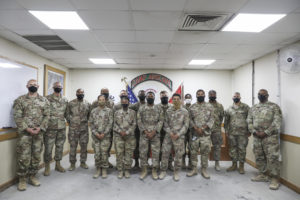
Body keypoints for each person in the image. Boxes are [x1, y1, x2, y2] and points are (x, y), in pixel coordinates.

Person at [13, 79, 50, 191]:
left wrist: (40, 127)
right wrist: (27, 128)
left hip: (38, 134)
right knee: (23, 157)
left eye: (35, 85)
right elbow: (17, 117)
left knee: (36, 156)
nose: (33, 86)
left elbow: (47, 116)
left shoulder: (44, 100)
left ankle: (32, 176)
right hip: (25, 134)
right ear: (27, 86)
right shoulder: (20, 100)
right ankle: (22, 179)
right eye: (31, 85)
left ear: (38, 86)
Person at [247, 89, 282, 190]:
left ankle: (275, 179)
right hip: (257, 136)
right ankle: (262, 174)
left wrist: (266, 132)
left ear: (267, 95)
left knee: (272, 157)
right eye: (259, 94)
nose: (261, 96)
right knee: (259, 156)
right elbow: (249, 120)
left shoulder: (274, 107)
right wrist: (254, 131)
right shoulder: (253, 108)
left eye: (263, 94)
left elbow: (277, 122)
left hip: (270, 137)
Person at [159, 94, 189, 181]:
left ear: (180, 100)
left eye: (177, 99)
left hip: (179, 137)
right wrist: (170, 132)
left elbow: (186, 125)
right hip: (169, 136)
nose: (176, 100)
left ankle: (176, 172)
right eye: (174, 99)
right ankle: (163, 170)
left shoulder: (185, 111)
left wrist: (178, 134)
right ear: (171, 100)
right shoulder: (168, 111)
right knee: (165, 153)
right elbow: (165, 124)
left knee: (178, 155)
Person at [187, 89, 214, 179]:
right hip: (194, 134)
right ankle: (194, 169)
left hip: (205, 134)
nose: (200, 96)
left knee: (205, 152)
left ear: (204, 95)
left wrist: (202, 128)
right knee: (193, 152)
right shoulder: (192, 107)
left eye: (202, 94)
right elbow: (189, 119)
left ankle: (204, 170)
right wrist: (195, 128)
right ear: (196, 96)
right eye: (198, 94)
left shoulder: (209, 106)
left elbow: (212, 119)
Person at [44, 82, 68, 176]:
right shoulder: (47, 99)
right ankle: (47, 166)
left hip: (61, 127)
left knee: (60, 146)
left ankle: (58, 164)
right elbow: (44, 113)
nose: (58, 88)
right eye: (56, 87)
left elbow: (66, 113)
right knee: (48, 148)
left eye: (60, 87)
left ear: (62, 88)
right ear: (53, 88)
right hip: (50, 128)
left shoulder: (65, 99)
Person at [137, 91, 164, 180]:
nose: (150, 97)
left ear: (154, 97)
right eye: (148, 96)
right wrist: (145, 131)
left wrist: (154, 131)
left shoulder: (158, 108)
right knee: (143, 153)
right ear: (146, 97)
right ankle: (144, 170)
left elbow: (161, 120)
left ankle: (154, 170)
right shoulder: (141, 108)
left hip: (155, 134)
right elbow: (139, 120)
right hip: (144, 134)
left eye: (152, 96)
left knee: (156, 153)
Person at [224, 92, 250, 174]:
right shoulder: (229, 109)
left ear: (240, 97)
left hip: (243, 133)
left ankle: (241, 166)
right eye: (234, 96)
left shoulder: (246, 107)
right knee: (232, 149)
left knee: (242, 149)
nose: (236, 97)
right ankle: (234, 165)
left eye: (237, 96)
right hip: (232, 133)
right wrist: (226, 131)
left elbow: (250, 119)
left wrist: (249, 130)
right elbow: (226, 121)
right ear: (232, 97)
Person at [89, 95, 113, 179]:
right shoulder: (93, 111)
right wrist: (96, 133)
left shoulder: (109, 111)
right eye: (100, 100)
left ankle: (104, 170)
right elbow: (91, 123)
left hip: (105, 136)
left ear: (105, 101)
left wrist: (104, 133)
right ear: (97, 100)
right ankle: (98, 169)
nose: (101, 101)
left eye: (103, 100)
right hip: (96, 136)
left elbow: (110, 123)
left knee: (104, 153)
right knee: (97, 153)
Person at [66, 88, 91, 171]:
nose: (81, 94)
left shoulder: (87, 103)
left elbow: (89, 115)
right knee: (73, 147)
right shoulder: (71, 103)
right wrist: (73, 122)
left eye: (82, 92)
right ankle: (72, 163)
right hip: (73, 129)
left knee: (84, 146)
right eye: (79, 92)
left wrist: (83, 122)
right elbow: (67, 115)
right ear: (76, 93)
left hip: (84, 129)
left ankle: (83, 162)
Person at [114, 96, 136, 178]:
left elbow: (134, 124)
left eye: (126, 101)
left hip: (129, 137)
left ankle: (127, 170)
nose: (124, 103)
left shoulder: (133, 112)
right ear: (121, 103)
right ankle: (120, 170)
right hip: (119, 136)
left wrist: (126, 132)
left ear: (128, 102)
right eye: (122, 101)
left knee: (128, 154)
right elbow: (114, 124)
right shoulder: (116, 112)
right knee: (119, 154)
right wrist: (120, 131)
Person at [156, 91, 174, 171]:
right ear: (160, 97)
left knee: (169, 149)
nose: (164, 97)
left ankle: (170, 164)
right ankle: (160, 165)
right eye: (162, 96)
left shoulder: (172, 106)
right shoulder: (156, 107)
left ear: (168, 97)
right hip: (158, 132)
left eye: (166, 96)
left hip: (169, 131)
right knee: (159, 149)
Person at [129, 90, 146, 168]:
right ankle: (136, 162)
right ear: (138, 97)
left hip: (146, 129)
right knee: (136, 146)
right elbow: (127, 111)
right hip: (136, 129)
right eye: (140, 95)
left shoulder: (148, 105)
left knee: (145, 147)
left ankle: (145, 163)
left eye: (143, 95)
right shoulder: (134, 105)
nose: (142, 96)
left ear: (145, 96)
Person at [208, 90, 224, 171]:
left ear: (216, 95)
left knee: (217, 147)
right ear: (208, 95)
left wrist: (217, 125)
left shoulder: (220, 106)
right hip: (206, 130)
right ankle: (204, 163)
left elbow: (221, 117)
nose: (212, 95)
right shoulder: (205, 105)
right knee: (205, 147)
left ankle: (217, 163)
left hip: (216, 129)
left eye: (214, 94)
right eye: (210, 94)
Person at [183, 93, 192, 169]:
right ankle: (183, 162)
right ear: (184, 99)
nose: (188, 99)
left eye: (189, 98)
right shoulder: (181, 107)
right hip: (183, 131)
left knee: (191, 147)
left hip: (192, 131)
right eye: (186, 98)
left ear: (191, 99)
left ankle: (190, 162)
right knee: (182, 147)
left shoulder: (194, 107)